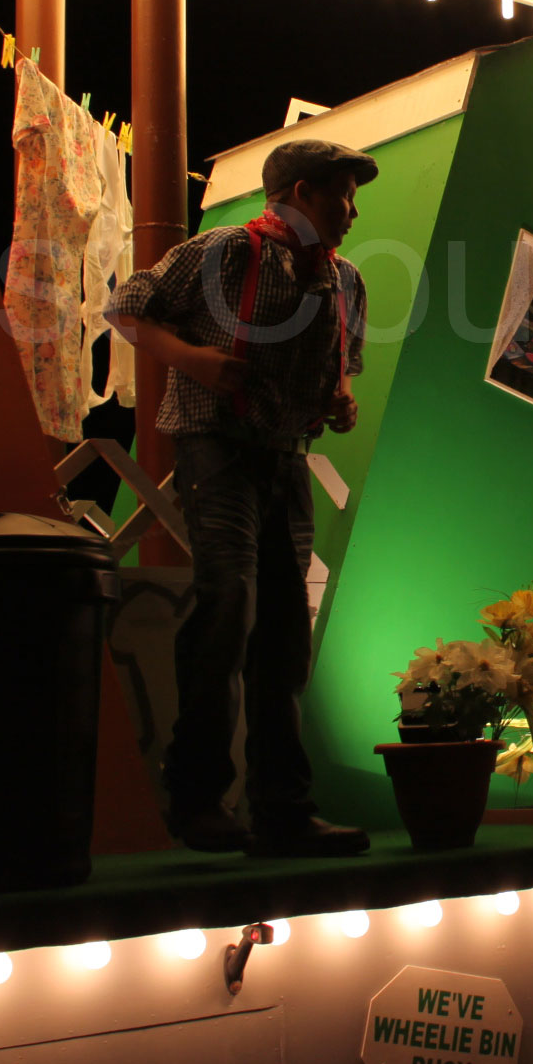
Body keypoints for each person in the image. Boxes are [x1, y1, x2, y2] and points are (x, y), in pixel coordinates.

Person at [106, 139, 377, 857]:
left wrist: (340, 399)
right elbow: (127, 307)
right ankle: (197, 799)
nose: (351, 212)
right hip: (218, 448)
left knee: (285, 629)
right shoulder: (226, 250)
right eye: (341, 195)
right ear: (298, 192)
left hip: (286, 458)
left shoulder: (344, 279)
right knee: (228, 603)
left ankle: (282, 808)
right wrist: (192, 360)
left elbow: (344, 363)